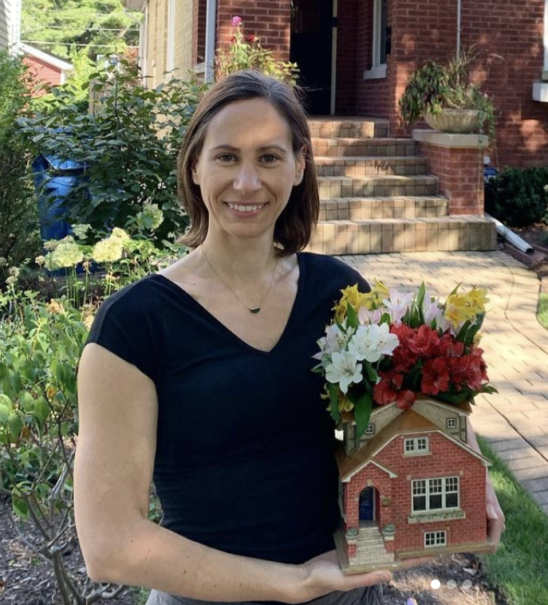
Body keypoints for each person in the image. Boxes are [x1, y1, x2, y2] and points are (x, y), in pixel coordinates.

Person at [74, 70, 504, 605]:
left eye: (269, 157)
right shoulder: (134, 325)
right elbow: (110, 543)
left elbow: (416, 396)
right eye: (226, 157)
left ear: (300, 166)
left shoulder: (339, 293)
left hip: (344, 597)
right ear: (195, 165)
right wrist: (295, 582)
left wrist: (470, 474)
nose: (247, 182)